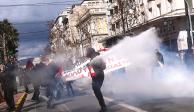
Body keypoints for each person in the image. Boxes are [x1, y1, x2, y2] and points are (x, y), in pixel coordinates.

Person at [86, 48, 107, 112]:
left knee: (96, 90)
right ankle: (103, 106)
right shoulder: (92, 59)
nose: (87, 53)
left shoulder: (98, 58)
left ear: (91, 52)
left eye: (87, 51)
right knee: (96, 90)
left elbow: (104, 67)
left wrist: (94, 65)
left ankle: (103, 106)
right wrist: (89, 66)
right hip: (95, 77)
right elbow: (92, 69)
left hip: (99, 76)